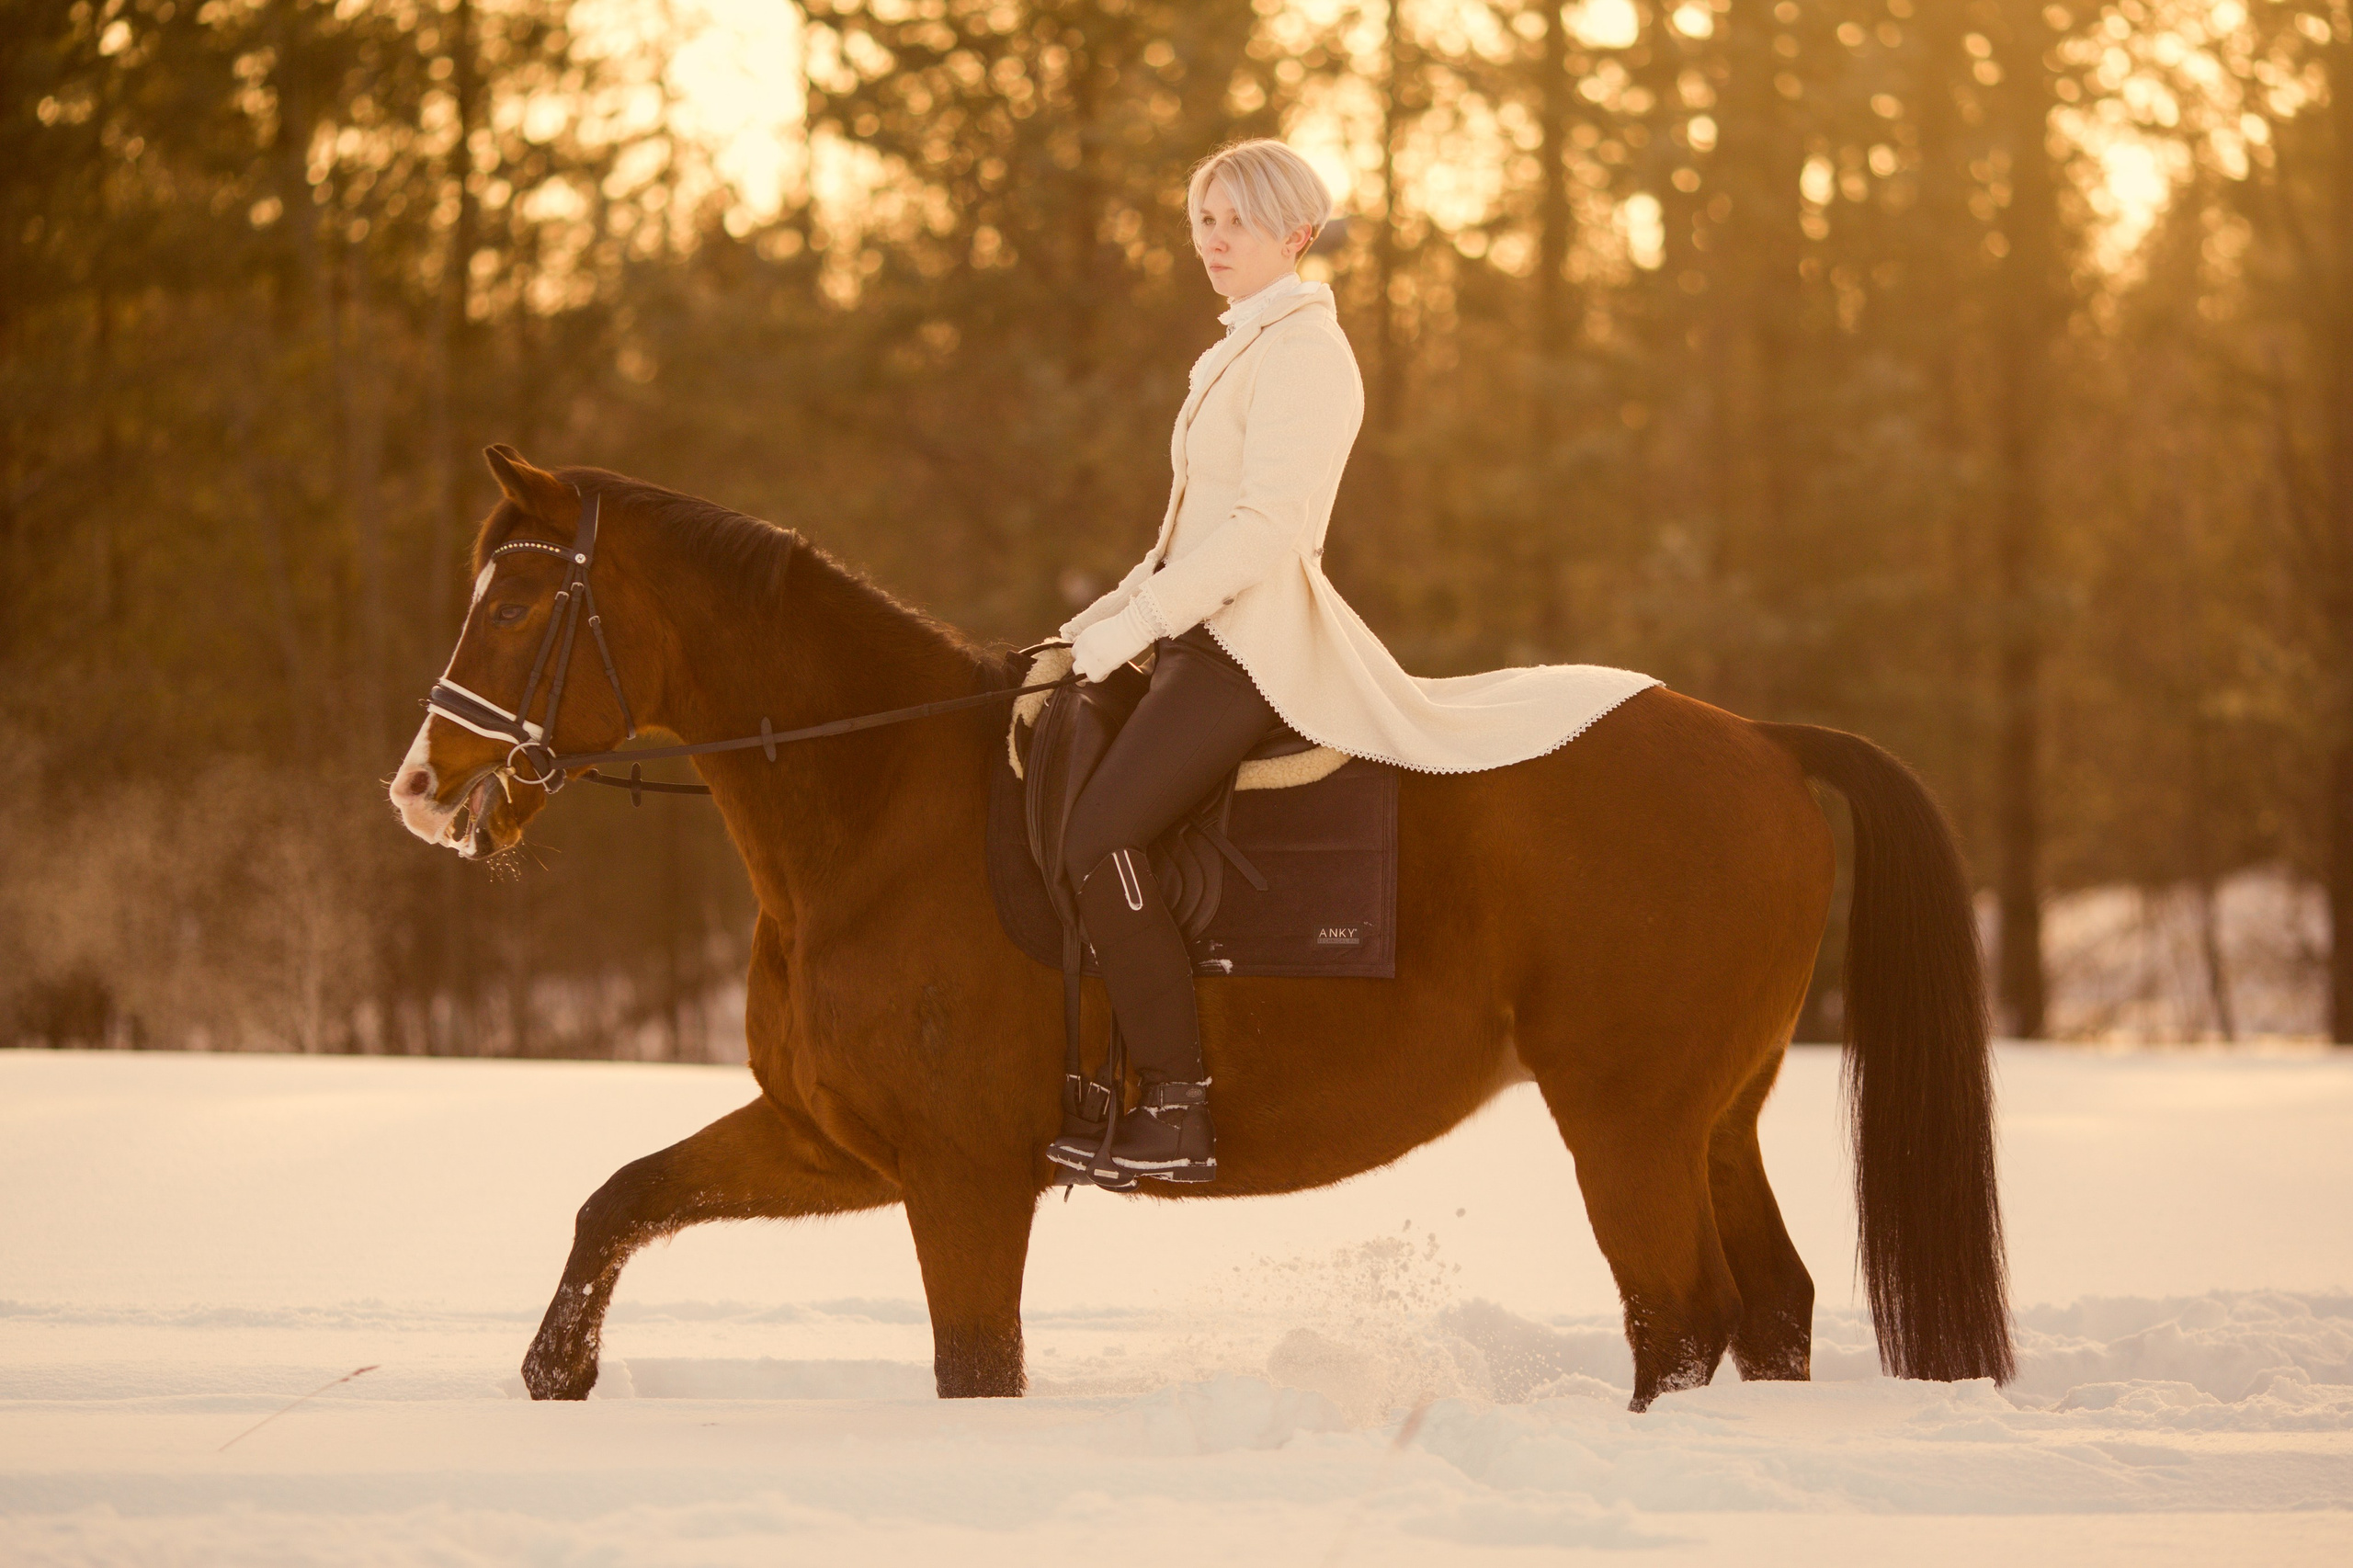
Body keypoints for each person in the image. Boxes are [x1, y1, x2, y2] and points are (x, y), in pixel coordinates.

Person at [1043, 139, 1655, 1188]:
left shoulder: (1306, 353)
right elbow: (1176, 542)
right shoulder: (1235, 350)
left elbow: (1261, 534)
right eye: (1202, 218)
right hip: (1197, 631)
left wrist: (1123, 635)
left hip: (1249, 649)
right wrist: (1080, 633)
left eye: (1236, 220)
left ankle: (1178, 1104)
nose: (1212, 239)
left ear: (1295, 233)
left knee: (1102, 833)